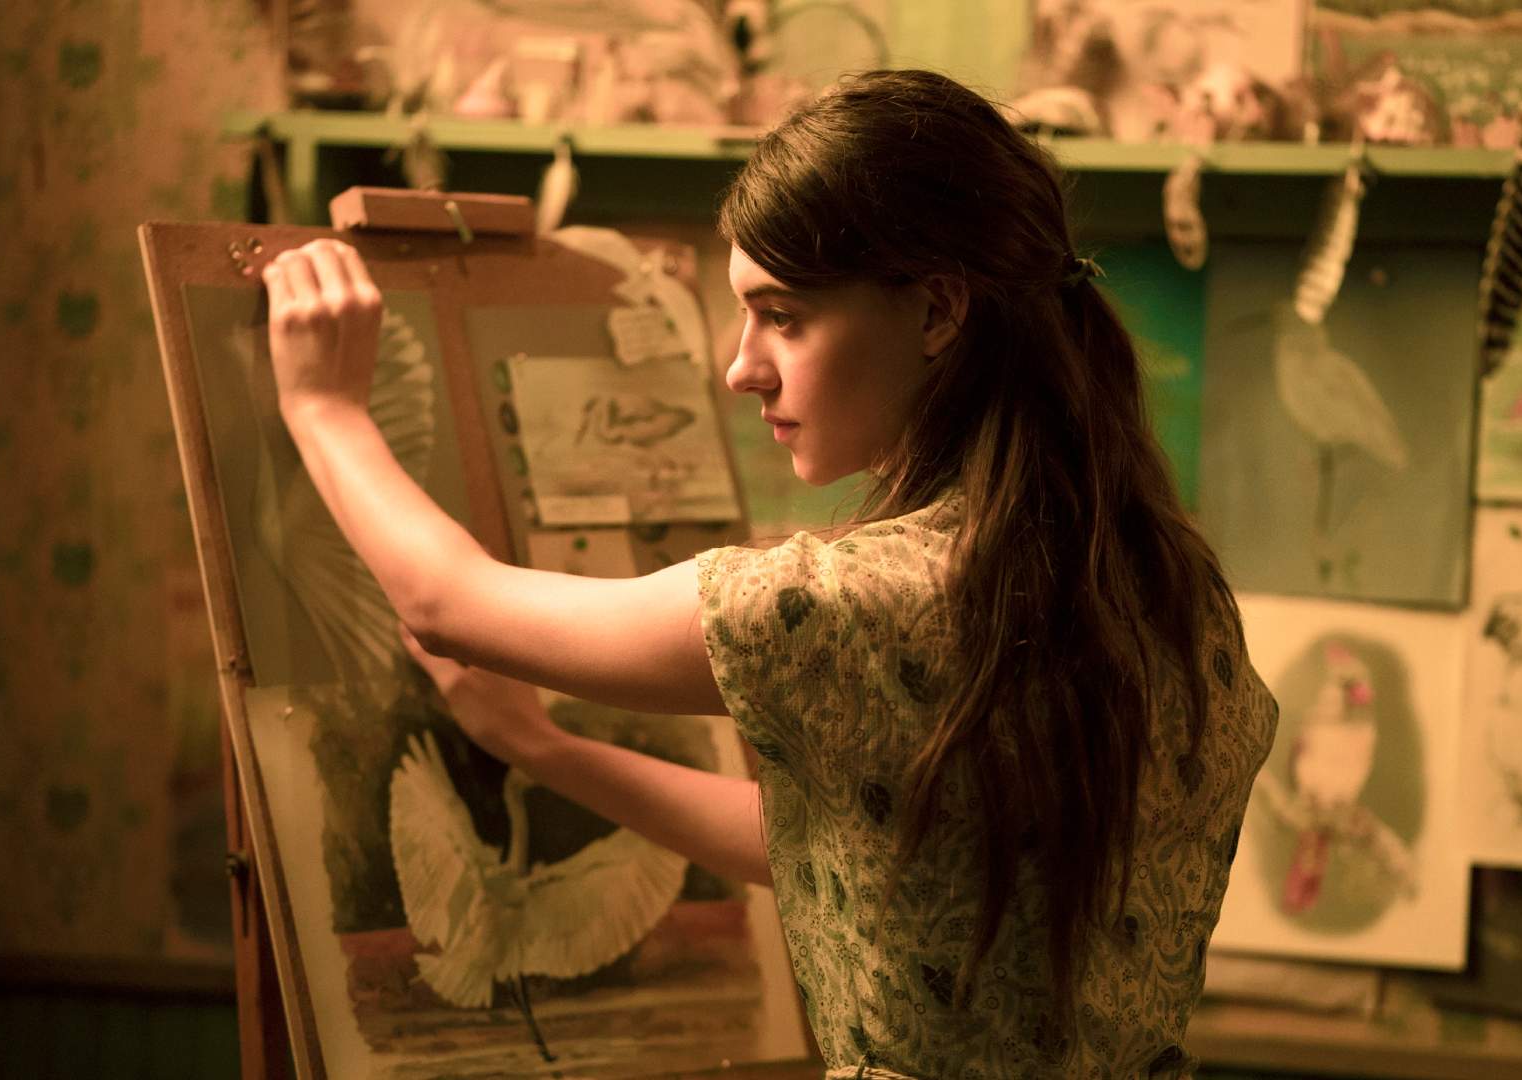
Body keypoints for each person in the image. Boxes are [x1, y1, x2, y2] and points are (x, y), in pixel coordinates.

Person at [262, 67, 1276, 1080]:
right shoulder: (1174, 588)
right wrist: (544, 749)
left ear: (937, 312)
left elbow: (446, 603)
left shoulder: (861, 605)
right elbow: (871, 854)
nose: (741, 366)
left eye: (783, 315)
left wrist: (326, 411)